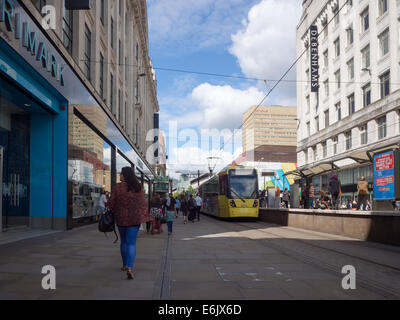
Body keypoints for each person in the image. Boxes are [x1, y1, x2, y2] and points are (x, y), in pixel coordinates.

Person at [108, 167, 149, 280]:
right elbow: (143, 202)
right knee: (131, 243)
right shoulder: (138, 187)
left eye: (121, 173)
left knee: (124, 242)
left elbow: (111, 202)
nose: (120, 175)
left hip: (121, 219)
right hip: (134, 219)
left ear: (125, 175)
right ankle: (130, 268)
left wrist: (113, 208)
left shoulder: (117, 187)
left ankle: (125, 265)